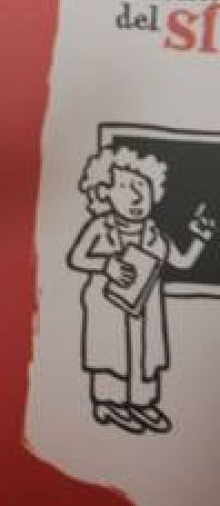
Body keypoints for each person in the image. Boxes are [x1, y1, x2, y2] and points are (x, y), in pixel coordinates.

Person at [66, 144, 214, 434]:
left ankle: (142, 401)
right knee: (111, 352)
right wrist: (107, 265)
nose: (136, 196)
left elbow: (181, 262)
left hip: (144, 306)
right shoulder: (100, 226)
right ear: (104, 192)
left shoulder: (154, 232)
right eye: (126, 187)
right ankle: (108, 400)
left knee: (144, 354)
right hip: (106, 303)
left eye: (142, 187)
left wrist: (199, 239)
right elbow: (76, 257)